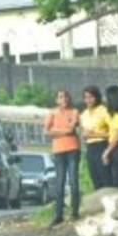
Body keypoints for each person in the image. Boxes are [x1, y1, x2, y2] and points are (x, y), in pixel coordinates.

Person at [45, 89, 81, 225]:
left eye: (66, 97)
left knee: (73, 181)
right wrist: (63, 131)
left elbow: (72, 129)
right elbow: (46, 131)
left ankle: (75, 212)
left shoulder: (74, 112)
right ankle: (58, 214)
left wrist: (56, 131)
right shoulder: (52, 113)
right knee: (59, 183)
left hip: (72, 148)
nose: (64, 99)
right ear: (57, 100)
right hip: (58, 150)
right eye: (61, 97)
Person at [80, 86, 111, 189]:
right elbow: (84, 134)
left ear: (97, 97)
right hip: (90, 147)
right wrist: (85, 135)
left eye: (91, 97)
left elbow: (113, 133)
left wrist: (94, 134)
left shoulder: (104, 110)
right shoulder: (83, 114)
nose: (88, 100)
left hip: (102, 145)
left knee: (105, 177)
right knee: (95, 177)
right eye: (86, 97)